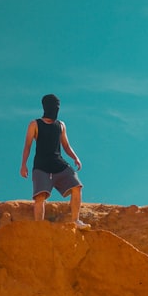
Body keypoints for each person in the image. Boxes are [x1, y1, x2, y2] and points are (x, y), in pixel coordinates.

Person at [20, 94, 89, 228]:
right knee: (40, 197)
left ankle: (76, 221)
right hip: (41, 166)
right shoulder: (35, 124)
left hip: (59, 164)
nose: (56, 109)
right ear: (46, 107)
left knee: (77, 187)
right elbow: (27, 146)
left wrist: (75, 158)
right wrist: (24, 165)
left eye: (58, 106)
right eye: (53, 106)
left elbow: (66, 146)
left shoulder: (61, 125)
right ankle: (39, 227)